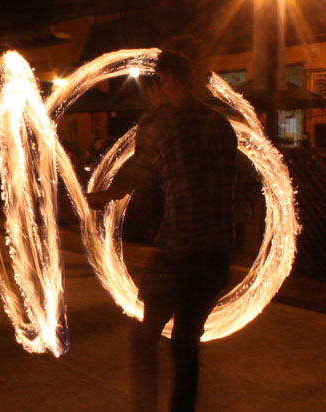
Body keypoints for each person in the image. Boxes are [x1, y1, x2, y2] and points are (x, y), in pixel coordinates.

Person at [87, 51, 237, 412]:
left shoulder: (160, 121)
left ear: (168, 78)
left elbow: (134, 177)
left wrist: (98, 196)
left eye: (155, 81)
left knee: (144, 337)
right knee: (186, 342)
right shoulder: (222, 125)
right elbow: (232, 182)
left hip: (177, 249)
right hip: (217, 253)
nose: (152, 90)